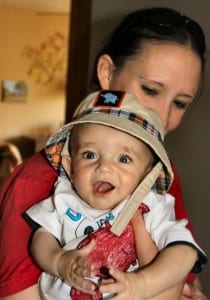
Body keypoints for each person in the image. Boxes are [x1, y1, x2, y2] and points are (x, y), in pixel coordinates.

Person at [0, 6, 208, 300]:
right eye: (150, 90)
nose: (162, 116)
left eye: (181, 103)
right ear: (107, 73)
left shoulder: (159, 176)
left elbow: (185, 278)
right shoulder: (37, 185)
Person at [23, 90, 206, 300]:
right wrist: (58, 260)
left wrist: (141, 284)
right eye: (89, 155)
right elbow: (42, 237)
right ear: (70, 166)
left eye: (124, 159)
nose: (104, 167)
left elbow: (185, 252)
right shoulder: (64, 198)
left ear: (148, 175)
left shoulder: (149, 206)